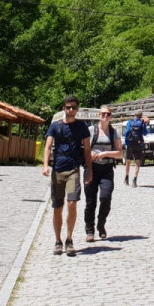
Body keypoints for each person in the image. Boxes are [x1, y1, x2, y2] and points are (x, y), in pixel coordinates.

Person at [41, 95, 92, 256]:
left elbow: (87, 150)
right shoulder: (55, 127)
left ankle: (69, 239)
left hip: (73, 171)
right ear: (64, 108)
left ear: (77, 109)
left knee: (71, 203)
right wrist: (45, 166)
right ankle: (58, 240)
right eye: (68, 107)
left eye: (74, 107)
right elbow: (48, 147)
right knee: (57, 207)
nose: (71, 110)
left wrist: (89, 170)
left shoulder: (82, 126)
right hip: (57, 171)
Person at [84, 106, 122, 242]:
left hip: (106, 169)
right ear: (99, 115)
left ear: (111, 116)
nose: (105, 116)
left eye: (108, 114)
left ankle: (101, 224)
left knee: (105, 198)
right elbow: (83, 149)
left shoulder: (114, 133)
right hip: (91, 168)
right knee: (90, 201)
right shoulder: (90, 131)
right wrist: (91, 154)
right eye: (103, 113)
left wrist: (105, 154)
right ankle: (89, 230)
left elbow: (119, 153)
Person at [123, 110, 147, 187]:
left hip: (130, 144)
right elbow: (145, 133)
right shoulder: (142, 122)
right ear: (141, 115)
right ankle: (134, 180)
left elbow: (126, 132)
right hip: (138, 144)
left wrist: (126, 142)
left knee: (128, 162)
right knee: (137, 162)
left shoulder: (130, 122)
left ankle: (126, 178)